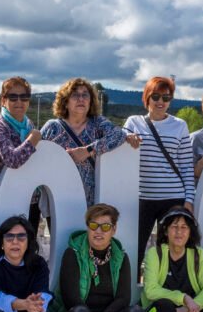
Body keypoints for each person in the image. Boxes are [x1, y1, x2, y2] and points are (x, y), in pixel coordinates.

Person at [40, 78, 140, 226]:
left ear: (91, 100)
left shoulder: (98, 123)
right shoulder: (52, 128)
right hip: (58, 201)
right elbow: (39, 158)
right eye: (75, 95)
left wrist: (88, 150)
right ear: (65, 101)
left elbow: (118, 135)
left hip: (92, 204)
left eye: (85, 95)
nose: (81, 99)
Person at [125, 76, 195, 271]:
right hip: (142, 198)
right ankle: (132, 293)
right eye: (156, 96)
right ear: (147, 97)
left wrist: (189, 200)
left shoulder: (180, 125)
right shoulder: (133, 122)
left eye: (166, 97)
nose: (161, 102)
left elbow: (187, 166)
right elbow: (120, 147)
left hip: (173, 198)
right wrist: (125, 137)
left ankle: (167, 295)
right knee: (135, 249)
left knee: (170, 251)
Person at [0, 77, 41, 217]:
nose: (19, 101)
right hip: (3, 197)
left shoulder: (29, 126)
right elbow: (12, 160)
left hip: (30, 198)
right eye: (13, 97)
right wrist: (32, 139)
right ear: (3, 101)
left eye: (24, 97)